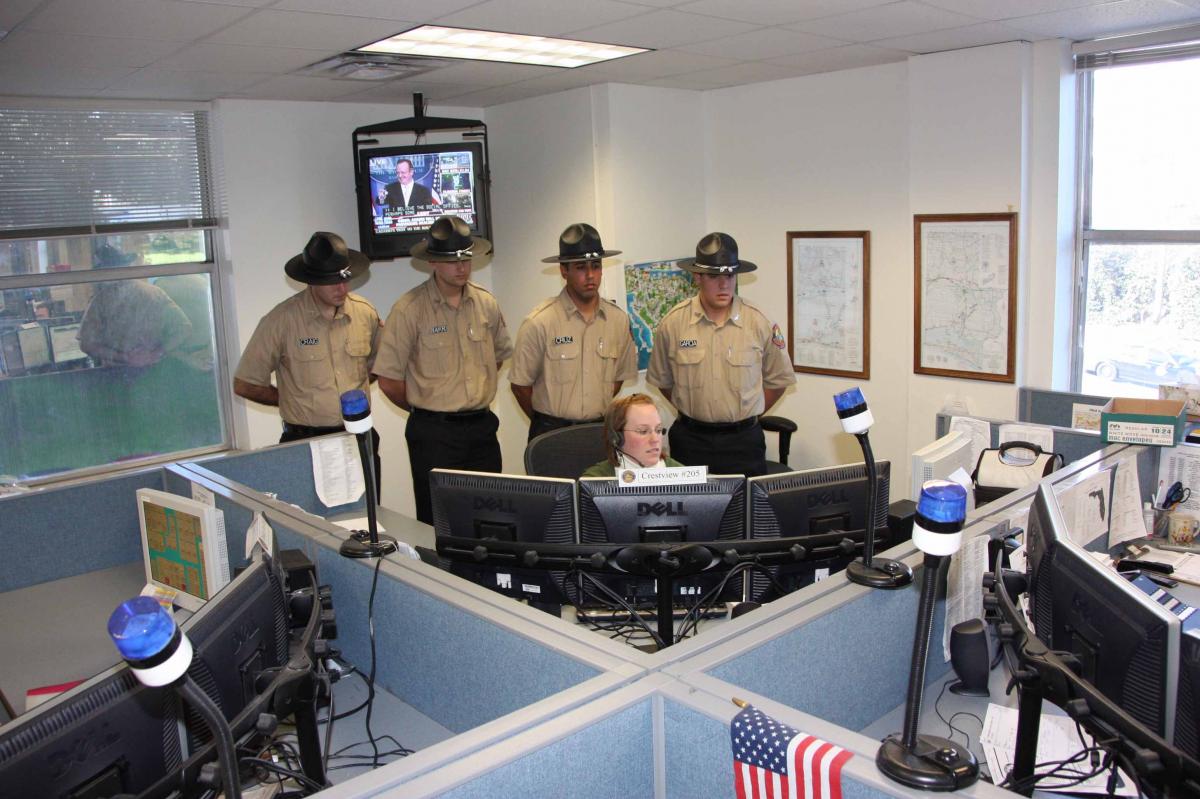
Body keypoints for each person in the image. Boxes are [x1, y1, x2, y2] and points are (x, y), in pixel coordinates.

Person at [373, 215, 512, 524]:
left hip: (481, 428)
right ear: (433, 261)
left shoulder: (486, 304)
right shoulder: (409, 309)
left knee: (491, 518)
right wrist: (427, 406)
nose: (461, 267)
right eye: (452, 261)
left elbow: (496, 358)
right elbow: (389, 380)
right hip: (434, 435)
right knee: (439, 522)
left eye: (466, 259)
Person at [233, 232, 383, 487]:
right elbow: (245, 384)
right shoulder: (281, 320)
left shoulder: (364, 312)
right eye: (332, 281)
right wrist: (292, 399)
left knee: (368, 509)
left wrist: (351, 390)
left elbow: (379, 364)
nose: (341, 288)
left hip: (358, 437)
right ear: (312, 280)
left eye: (345, 279)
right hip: (304, 443)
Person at [646, 232, 795, 477]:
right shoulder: (673, 324)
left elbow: (778, 380)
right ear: (698, 277)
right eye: (714, 276)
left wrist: (745, 414)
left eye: (730, 275)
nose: (724, 284)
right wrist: (695, 410)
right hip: (691, 441)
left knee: (746, 502)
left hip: (743, 443)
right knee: (689, 502)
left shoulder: (759, 322)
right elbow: (663, 381)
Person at [510, 223, 637, 441]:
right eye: (580, 267)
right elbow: (520, 386)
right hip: (552, 431)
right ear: (564, 270)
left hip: (598, 430)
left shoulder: (618, 320)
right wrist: (547, 423)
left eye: (596, 266)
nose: (590, 275)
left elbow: (617, 380)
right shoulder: (540, 322)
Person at [79, 243, 192, 368]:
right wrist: (155, 353)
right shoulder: (155, 293)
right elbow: (184, 328)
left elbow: (87, 344)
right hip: (155, 370)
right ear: (127, 267)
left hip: (116, 372)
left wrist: (124, 357)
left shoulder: (101, 300)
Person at [582, 393, 683, 477]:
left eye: (658, 430)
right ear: (617, 437)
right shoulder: (595, 480)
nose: (655, 439)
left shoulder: (683, 475)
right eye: (643, 431)